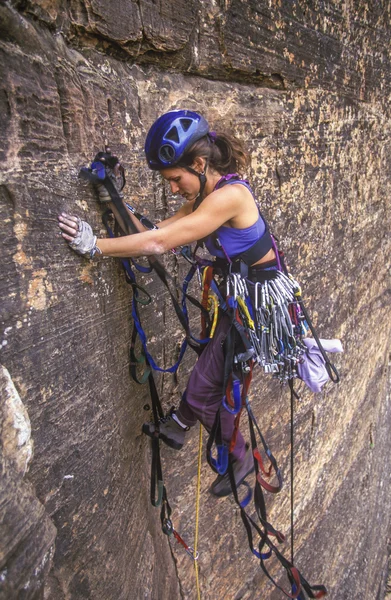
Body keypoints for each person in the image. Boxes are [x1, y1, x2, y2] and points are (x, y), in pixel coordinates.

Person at [58, 109, 279, 497]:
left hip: (257, 311)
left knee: (202, 389)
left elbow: (160, 244)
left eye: (176, 179)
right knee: (209, 383)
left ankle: (239, 457)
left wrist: (95, 247)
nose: (174, 188)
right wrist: (110, 195)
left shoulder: (230, 196)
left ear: (199, 163)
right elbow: (153, 232)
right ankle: (180, 428)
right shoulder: (205, 197)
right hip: (237, 305)